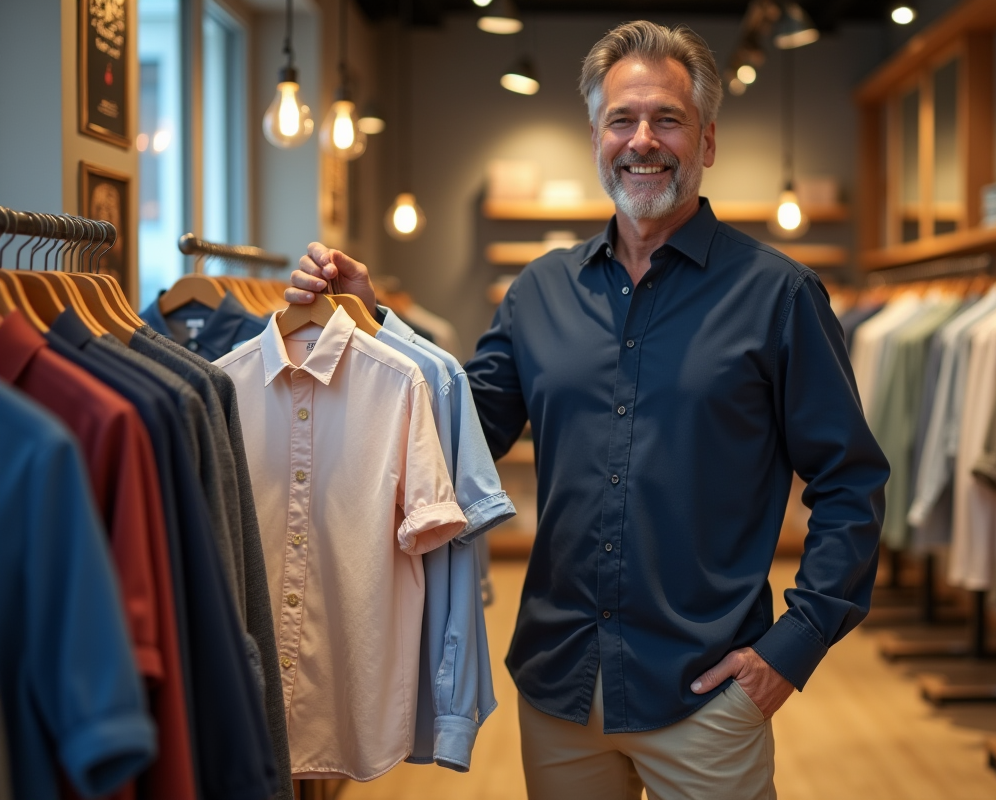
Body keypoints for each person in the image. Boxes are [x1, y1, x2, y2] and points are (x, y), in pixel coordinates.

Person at [286, 20, 888, 800]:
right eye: (622, 120)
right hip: (560, 688)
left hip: (706, 694)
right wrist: (373, 323)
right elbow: (459, 430)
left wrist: (792, 647)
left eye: (667, 119)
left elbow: (850, 483)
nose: (643, 140)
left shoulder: (780, 297)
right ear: (596, 138)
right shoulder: (538, 293)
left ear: (706, 141)